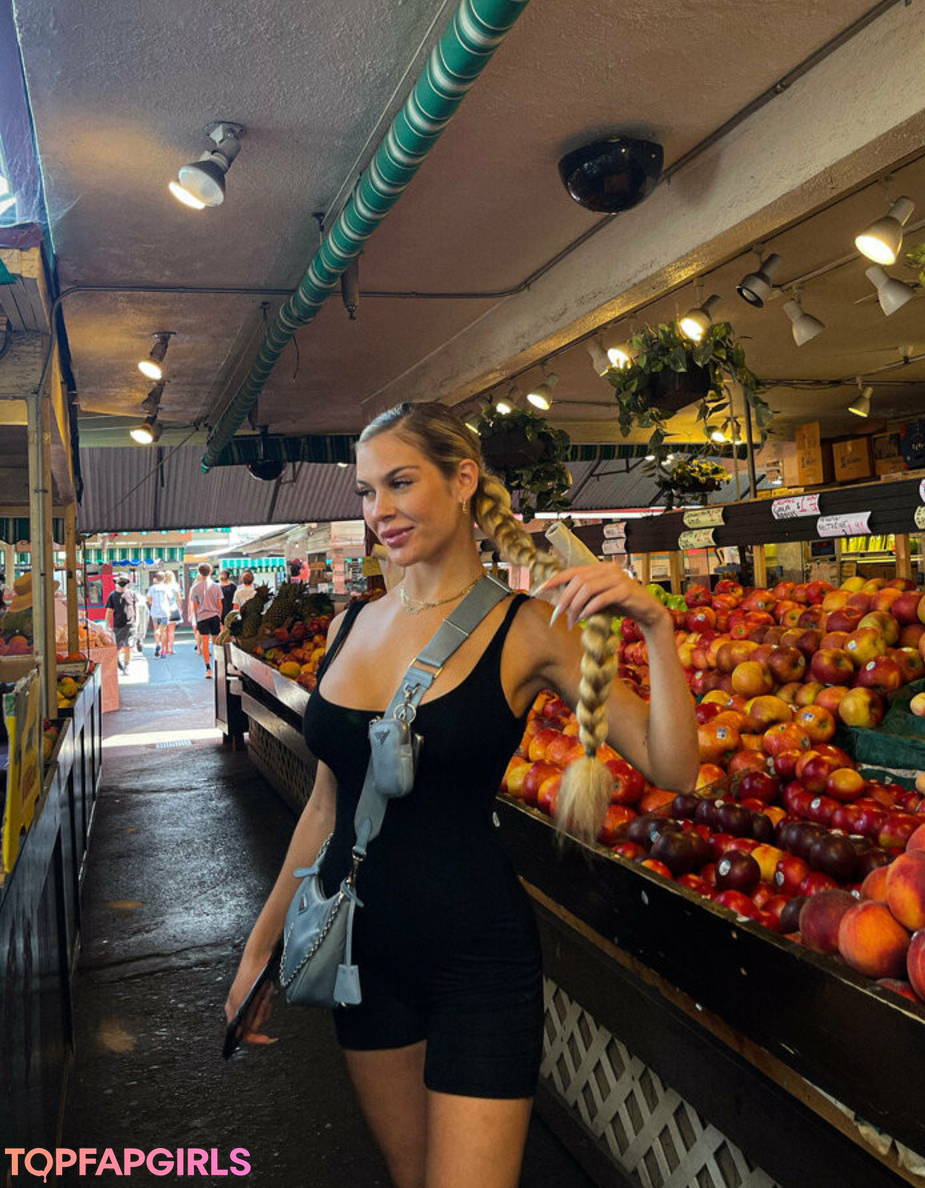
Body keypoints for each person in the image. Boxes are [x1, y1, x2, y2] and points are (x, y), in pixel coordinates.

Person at [226, 402, 697, 1188]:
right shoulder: (347, 628)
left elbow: (672, 766)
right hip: (361, 961)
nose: (380, 510)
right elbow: (326, 808)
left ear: (463, 478)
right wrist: (258, 950)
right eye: (367, 491)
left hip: (479, 961)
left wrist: (656, 625)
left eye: (400, 482)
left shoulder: (531, 628)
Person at [188, 563, 223, 680]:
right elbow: (220, 604)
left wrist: (197, 618)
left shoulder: (195, 588)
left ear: (199, 572)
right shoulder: (216, 586)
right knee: (215, 641)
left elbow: (195, 606)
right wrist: (219, 617)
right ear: (210, 572)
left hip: (202, 617)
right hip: (214, 615)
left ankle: (208, 669)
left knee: (205, 641)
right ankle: (218, 665)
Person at [104, 576, 138, 674]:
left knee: (128, 646)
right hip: (117, 625)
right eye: (120, 582)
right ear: (116, 583)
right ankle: (118, 661)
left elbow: (136, 609)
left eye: (124, 582)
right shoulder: (112, 596)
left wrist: (137, 622)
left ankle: (126, 666)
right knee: (117, 647)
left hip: (130, 625)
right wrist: (107, 625)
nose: (122, 585)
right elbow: (109, 611)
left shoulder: (132, 594)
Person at [160, 570, 181, 655]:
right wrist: (180, 607)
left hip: (163, 609)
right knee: (171, 631)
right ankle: (171, 648)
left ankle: (165, 649)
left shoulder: (161, 586)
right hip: (173, 608)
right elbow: (178, 598)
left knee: (164, 631)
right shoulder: (175, 585)